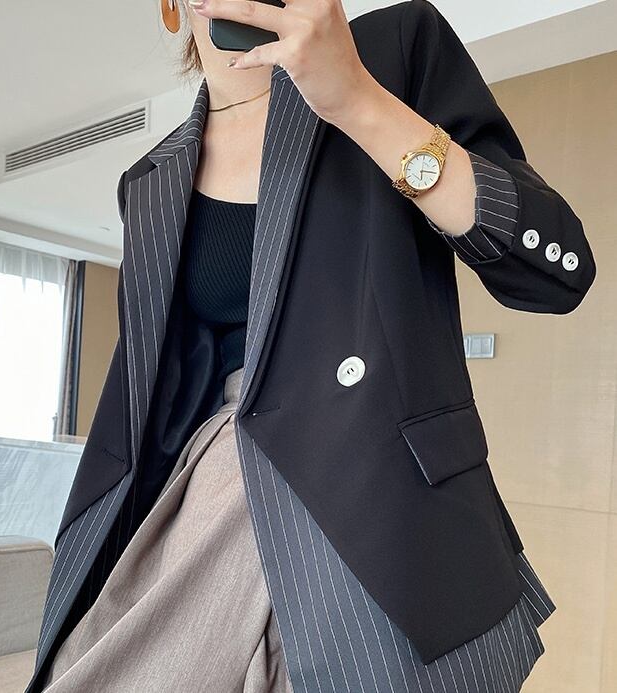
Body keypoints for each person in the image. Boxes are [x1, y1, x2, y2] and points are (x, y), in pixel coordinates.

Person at [30, 0, 596, 691]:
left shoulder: (387, 55)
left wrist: (356, 101)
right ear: (171, 7)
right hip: (203, 494)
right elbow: (149, 391)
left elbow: (556, 271)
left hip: (376, 507)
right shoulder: (150, 179)